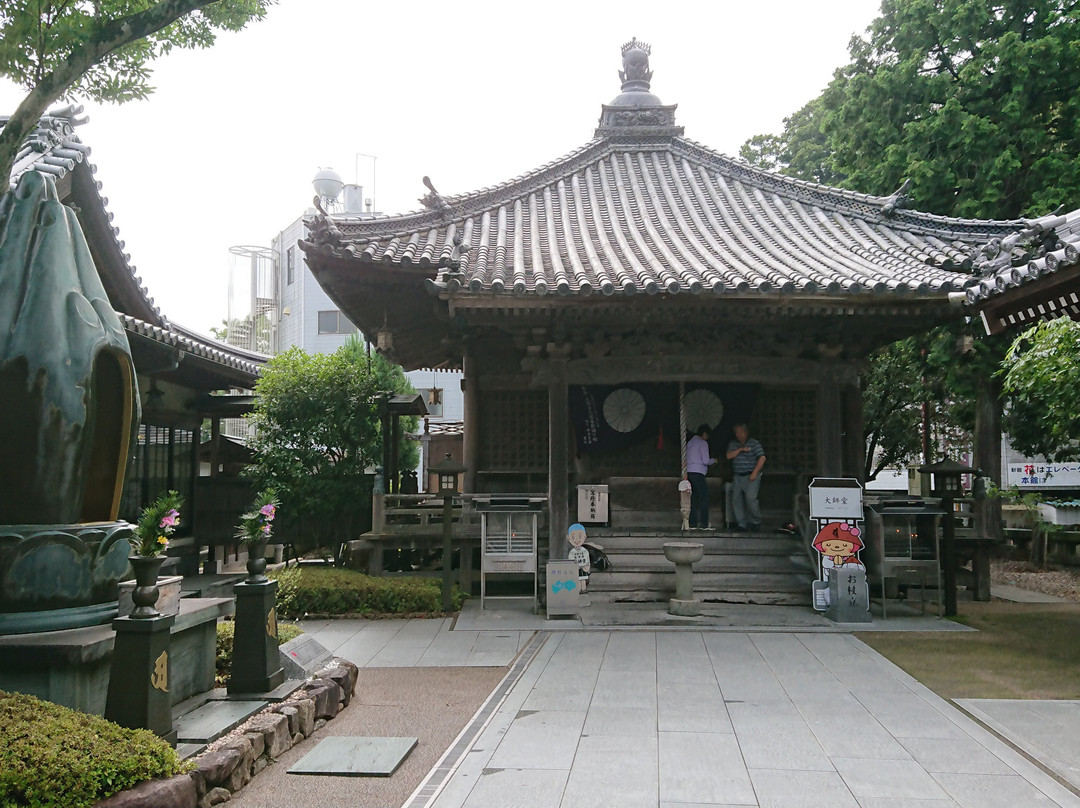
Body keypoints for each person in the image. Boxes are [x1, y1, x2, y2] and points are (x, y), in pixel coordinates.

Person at [726, 422, 766, 532]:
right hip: (738, 476)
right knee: (736, 500)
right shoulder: (733, 444)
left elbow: (762, 458)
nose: (738, 435)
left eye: (740, 432)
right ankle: (742, 523)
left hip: (751, 475)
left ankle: (756, 521)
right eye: (736, 433)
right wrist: (740, 450)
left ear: (746, 432)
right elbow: (729, 456)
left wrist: (755, 472)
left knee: (751, 498)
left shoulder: (754, 443)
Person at [685, 424, 717, 529]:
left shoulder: (690, 443)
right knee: (704, 498)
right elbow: (705, 460)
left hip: (689, 472)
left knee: (693, 498)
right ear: (704, 434)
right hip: (699, 473)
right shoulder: (703, 443)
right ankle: (704, 523)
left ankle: (693, 523)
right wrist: (714, 461)